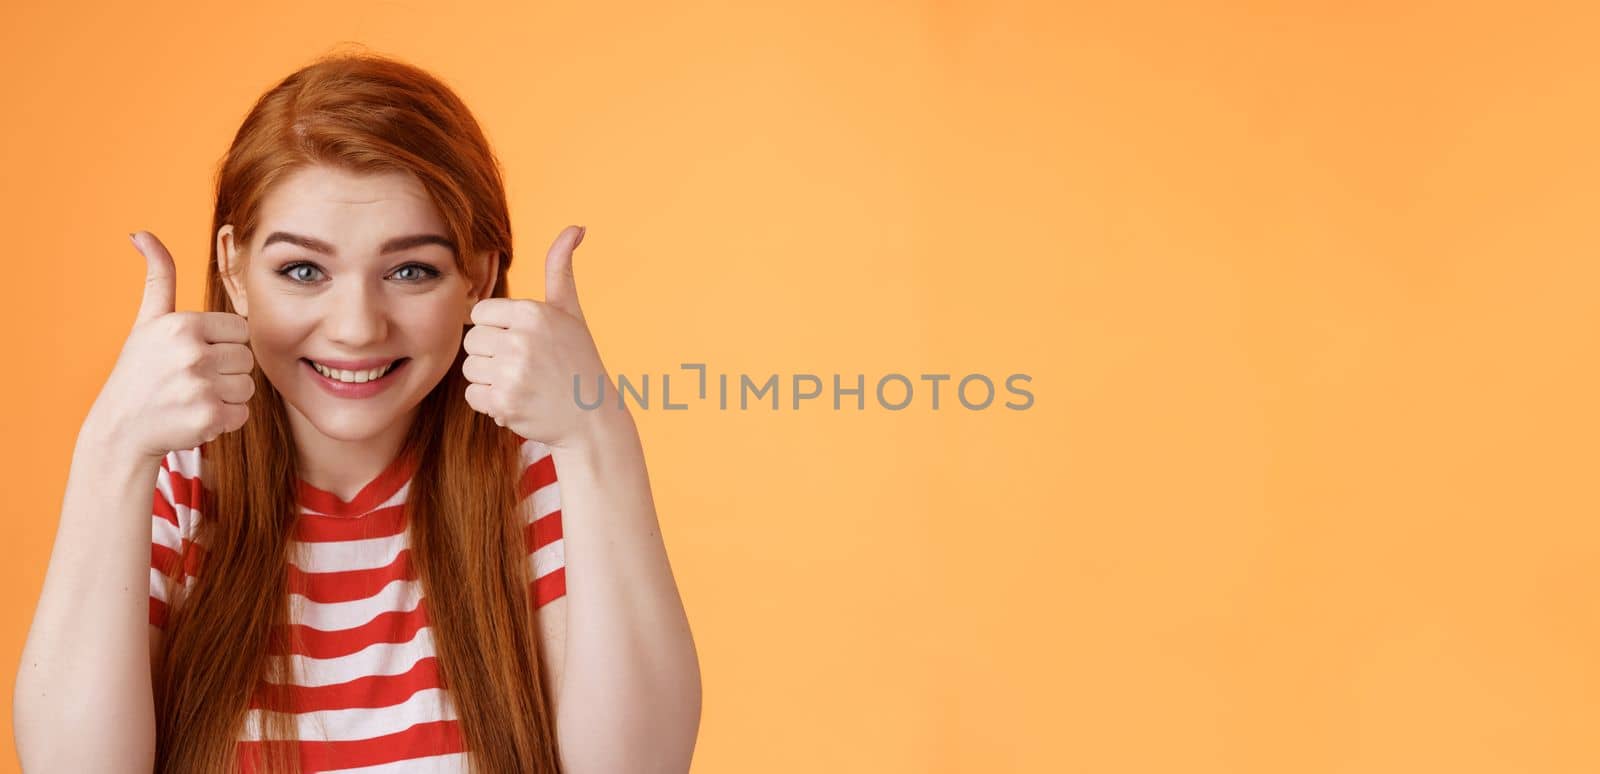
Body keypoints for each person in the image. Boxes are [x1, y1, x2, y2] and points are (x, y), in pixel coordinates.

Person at [13, 50, 701, 773]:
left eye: (410, 270)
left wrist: (600, 437)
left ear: (480, 276)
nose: (356, 327)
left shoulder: (540, 480)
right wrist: (111, 450)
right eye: (303, 270)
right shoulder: (171, 487)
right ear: (234, 269)